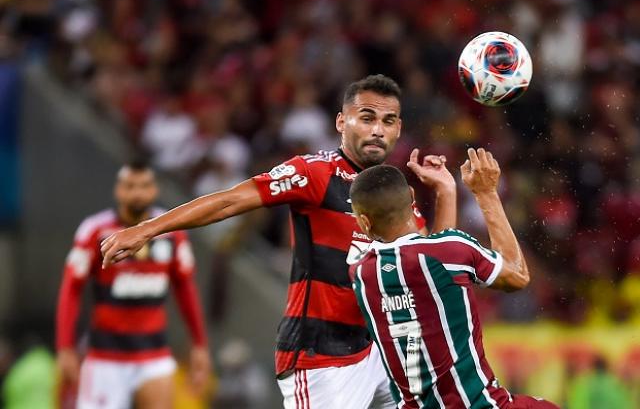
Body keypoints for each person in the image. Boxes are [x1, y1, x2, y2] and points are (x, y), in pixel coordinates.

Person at [101, 74, 458, 408]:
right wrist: (148, 228)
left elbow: (432, 266)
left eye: (388, 121)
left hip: (381, 350)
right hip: (322, 357)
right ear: (341, 122)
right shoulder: (313, 173)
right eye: (366, 118)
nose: (378, 130)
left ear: (399, 128)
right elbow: (230, 200)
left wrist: (446, 192)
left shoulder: (395, 193)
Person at [348, 149, 559, 408]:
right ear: (412, 198)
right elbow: (517, 275)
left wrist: (446, 192)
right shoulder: (450, 251)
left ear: (365, 222)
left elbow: (427, 259)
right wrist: (486, 193)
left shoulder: (361, 273)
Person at [56, 162, 210, 409]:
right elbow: (71, 289)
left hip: (154, 355)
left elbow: (185, 289)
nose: (137, 193)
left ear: (154, 190)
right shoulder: (95, 231)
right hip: (105, 358)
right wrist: (65, 346)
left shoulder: (172, 232)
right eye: (130, 186)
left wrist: (199, 344)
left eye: (144, 186)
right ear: (118, 190)